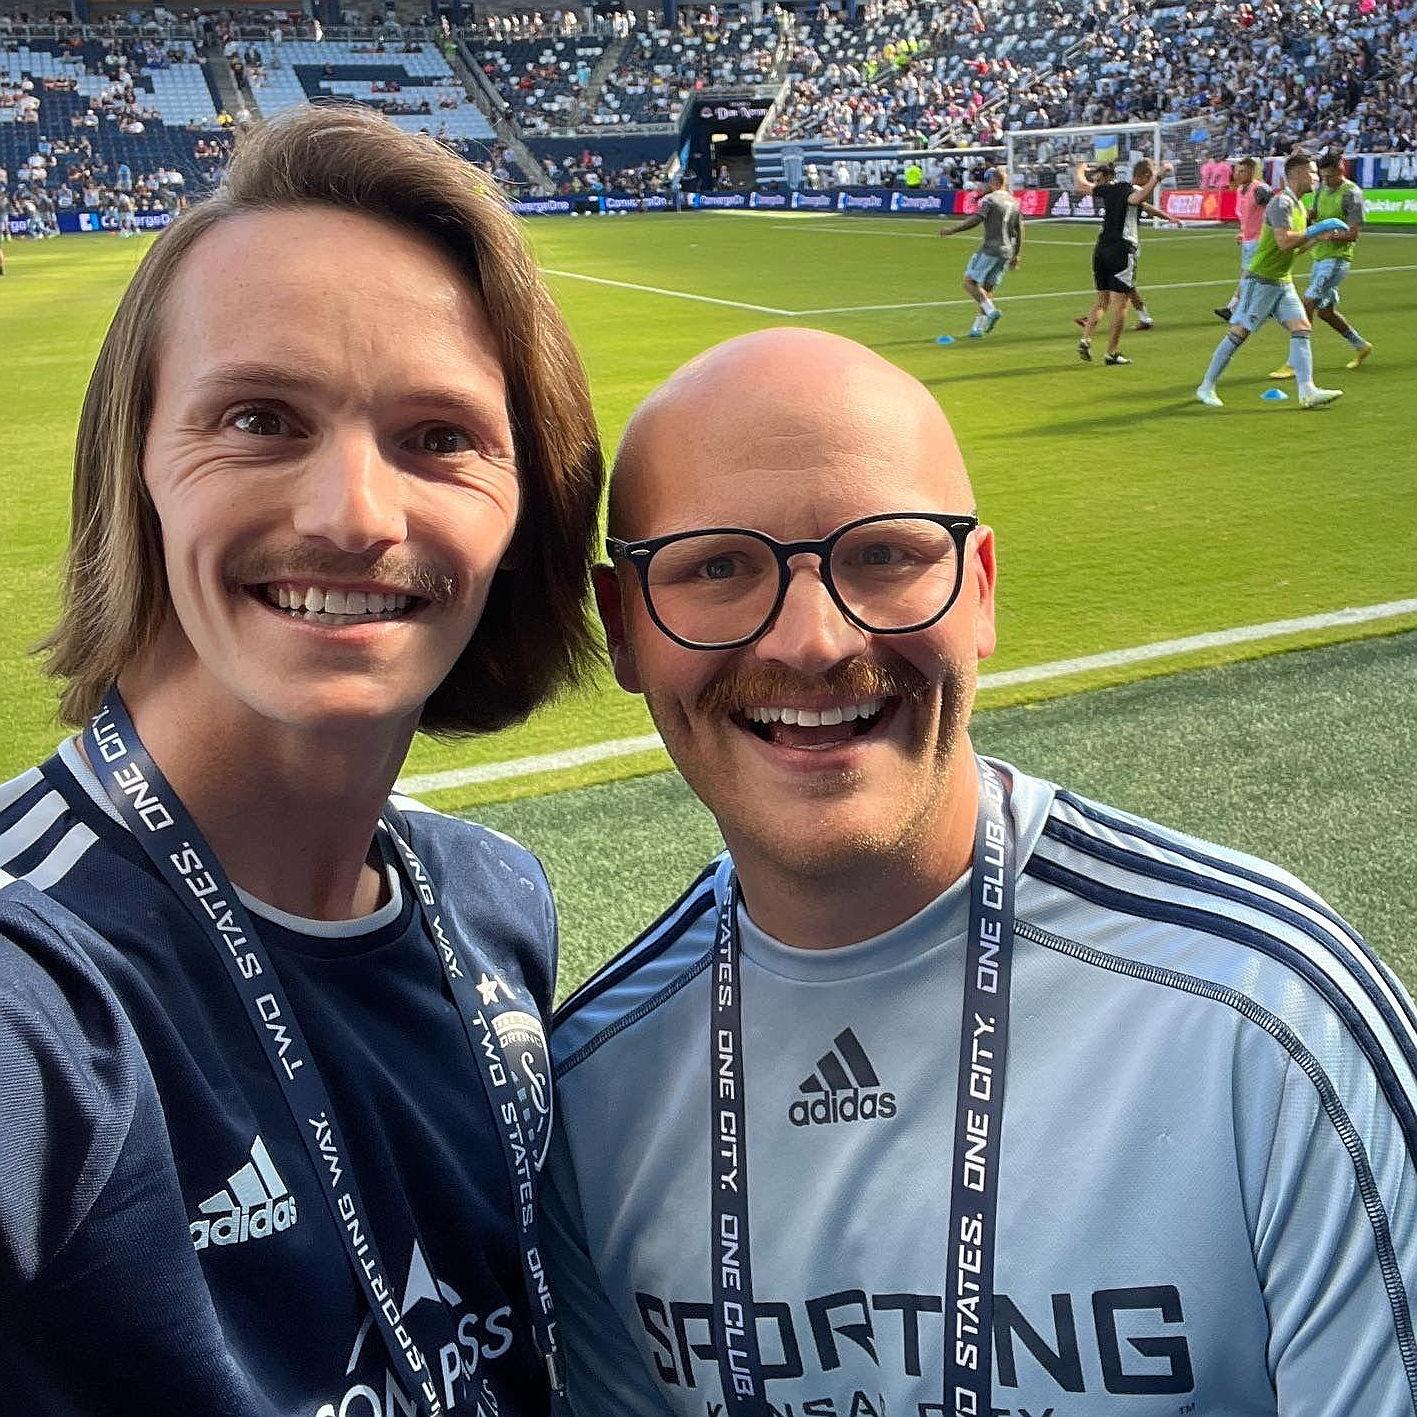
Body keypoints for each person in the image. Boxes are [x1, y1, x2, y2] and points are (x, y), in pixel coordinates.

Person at [543, 327, 1417, 1416]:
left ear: (981, 590)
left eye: (885, 554)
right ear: (624, 630)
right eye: (717, 566)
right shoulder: (588, 1090)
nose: (812, 641)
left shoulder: (1267, 1018)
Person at [0, 105, 604, 1415]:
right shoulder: (36, 970)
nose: (353, 514)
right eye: (261, 418)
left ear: (528, 508)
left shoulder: (494, 905)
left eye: (440, 438)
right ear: (141, 466)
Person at [1196, 152, 1346, 409]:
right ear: (1297, 174)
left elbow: (1295, 248)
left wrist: (1316, 239)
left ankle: (1307, 391)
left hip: (1281, 281)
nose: (1316, 177)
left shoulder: (1298, 205)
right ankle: (1206, 386)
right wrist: (1317, 229)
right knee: (1239, 333)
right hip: (1262, 280)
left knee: (1301, 328)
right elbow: (1284, 241)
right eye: (1311, 172)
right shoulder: (1281, 203)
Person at [1269, 151, 1373, 379]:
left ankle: (1295, 362)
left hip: (1336, 260)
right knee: (1325, 312)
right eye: (1323, 177)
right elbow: (1313, 215)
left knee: (1306, 304)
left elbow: (1353, 234)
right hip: (1320, 257)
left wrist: (1328, 235)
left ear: (1341, 168)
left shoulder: (1352, 194)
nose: (1327, 181)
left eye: (1331, 176)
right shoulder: (1322, 190)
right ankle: (1361, 345)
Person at [1073, 157, 1170, 365]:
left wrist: (1079, 168)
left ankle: (1086, 339)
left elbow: (1081, 185)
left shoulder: (1109, 189)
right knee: (1120, 304)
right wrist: (1159, 176)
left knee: (1101, 299)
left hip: (1101, 249)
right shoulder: (1129, 189)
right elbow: (1137, 199)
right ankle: (1112, 353)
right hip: (1122, 248)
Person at [937, 167, 1022, 338]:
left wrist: (952, 230)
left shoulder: (990, 199)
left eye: (988, 181)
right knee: (987, 290)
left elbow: (976, 219)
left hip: (991, 248)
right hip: (1007, 251)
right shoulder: (1014, 202)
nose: (985, 185)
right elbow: (1019, 230)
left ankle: (991, 312)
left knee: (970, 283)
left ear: (994, 182)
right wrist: (1016, 254)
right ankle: (977, 328)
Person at [1213, 155, 1271, 322]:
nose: (1237, 174)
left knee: (1249, 274)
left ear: (1252, 172)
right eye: (1237, 170)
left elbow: (1275, 210)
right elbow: (1247, 216)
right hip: (1248, 239)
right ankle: (1270, 307)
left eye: (1242, 171)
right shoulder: (1240, 190)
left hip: (1261, 240)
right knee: (1261, 276)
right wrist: (1243, 233)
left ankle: (1233, 307)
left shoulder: (1260, 190)